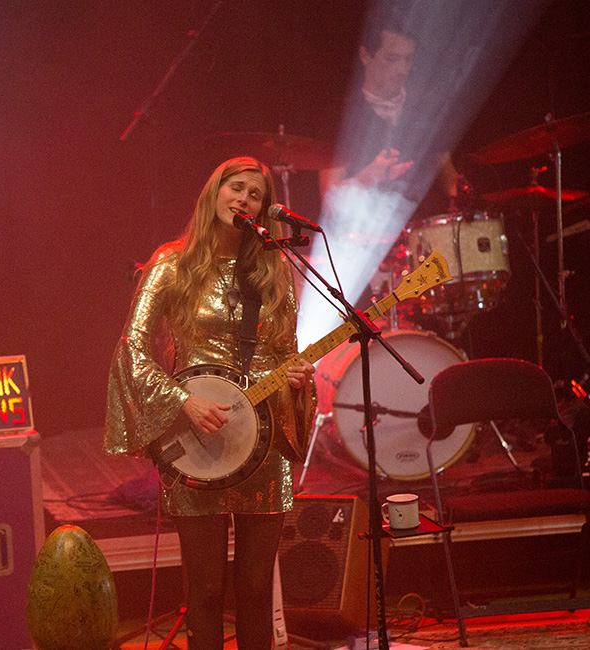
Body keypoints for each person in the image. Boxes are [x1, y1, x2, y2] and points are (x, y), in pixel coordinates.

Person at [105, 157, 317, 650]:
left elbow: (285, 353)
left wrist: (298, 379)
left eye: (255, 195)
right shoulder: (171, 261)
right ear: (213, 193)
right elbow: (131, 349)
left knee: (257, 587)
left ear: (263, 210)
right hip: (196, 436)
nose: (243, 199)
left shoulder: (275, 266)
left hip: (262, 441)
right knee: (204, 588)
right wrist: (183, 401)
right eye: (236, 188)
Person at [319, 10, 458, 228]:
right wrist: (368, 177)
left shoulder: (425, 111)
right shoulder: (342, 116)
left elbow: (450, 179)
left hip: (428, 240)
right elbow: (331, 200)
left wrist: (458, 199)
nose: (402, 69)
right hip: (364, 241)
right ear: (365, 55)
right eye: (392, 58)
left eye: (408, 60)